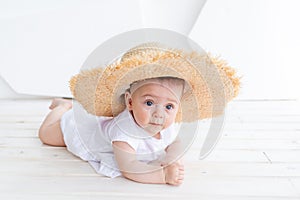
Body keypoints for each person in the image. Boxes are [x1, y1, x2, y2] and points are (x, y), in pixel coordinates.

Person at [38, 42, 240, 186]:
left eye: (169, 106)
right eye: (149, 103)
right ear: (130, 102)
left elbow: (176, 142)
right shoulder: (124, 132)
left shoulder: (165, 124)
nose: (159, 114)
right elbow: (129, 166)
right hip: (88, 134)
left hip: (103, 125)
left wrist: (171, 157)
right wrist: (162, 176)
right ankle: (62, 108)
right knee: (47, 136)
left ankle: (68, 107)